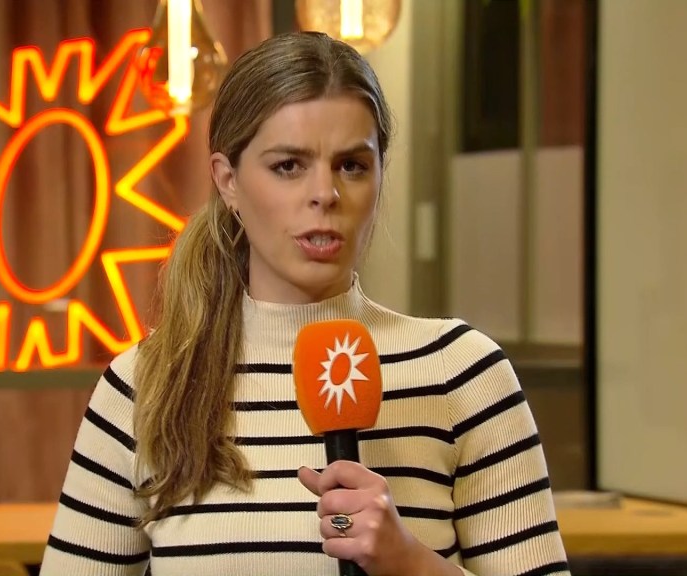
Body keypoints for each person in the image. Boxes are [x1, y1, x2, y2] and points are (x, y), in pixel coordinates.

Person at [40, 31, 570, 576]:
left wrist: (409, 562)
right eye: (289, 166)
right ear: (228, 180)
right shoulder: (144, 386)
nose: (325, 194)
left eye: (352, 165)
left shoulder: (463, 374)